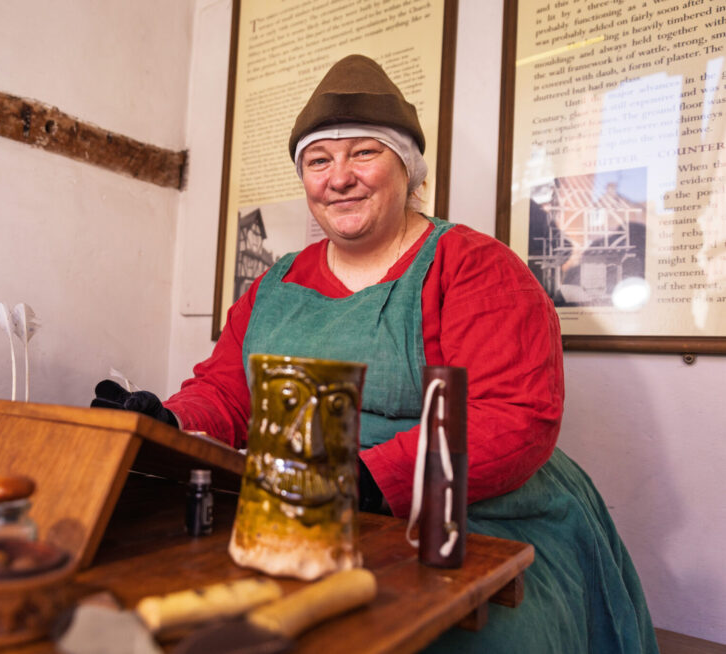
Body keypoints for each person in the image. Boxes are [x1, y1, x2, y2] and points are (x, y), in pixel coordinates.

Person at [93, 54, 658, 652]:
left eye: (363, 153)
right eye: (319, 161)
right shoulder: (272, 285)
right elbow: (229, 392)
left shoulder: (474, 267)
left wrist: (366, 478)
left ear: (406, 169)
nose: (339, 178)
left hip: (474, 520)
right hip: (310, 511)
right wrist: (171, 422)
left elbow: (512, 417)